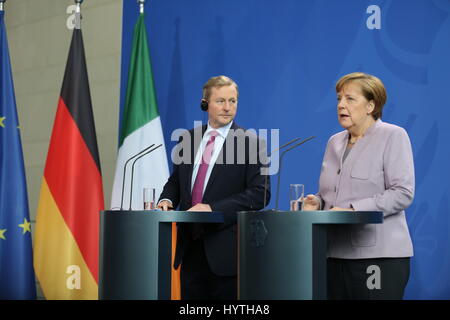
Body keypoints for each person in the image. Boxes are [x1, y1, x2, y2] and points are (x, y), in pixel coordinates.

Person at [303, 72, 415, 300]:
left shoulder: (393, 136)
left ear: (370, 105)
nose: (341, 105)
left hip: (378, 257)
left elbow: (402, 193)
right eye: (338, 99)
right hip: (333, 256)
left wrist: (354, 210)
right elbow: (333, 194)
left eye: (350, 99)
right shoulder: (334, 142)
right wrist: (317, 202)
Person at [157, 75, 269, 300]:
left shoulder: (252, 143)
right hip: (190, 250)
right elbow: (177, 181)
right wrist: (167, 200)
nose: (228, 108)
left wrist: (213, 208)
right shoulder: (187, 139)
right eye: (221, 101)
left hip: (227, 252)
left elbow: (260, 194)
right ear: (205, 103)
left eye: (233, 101)